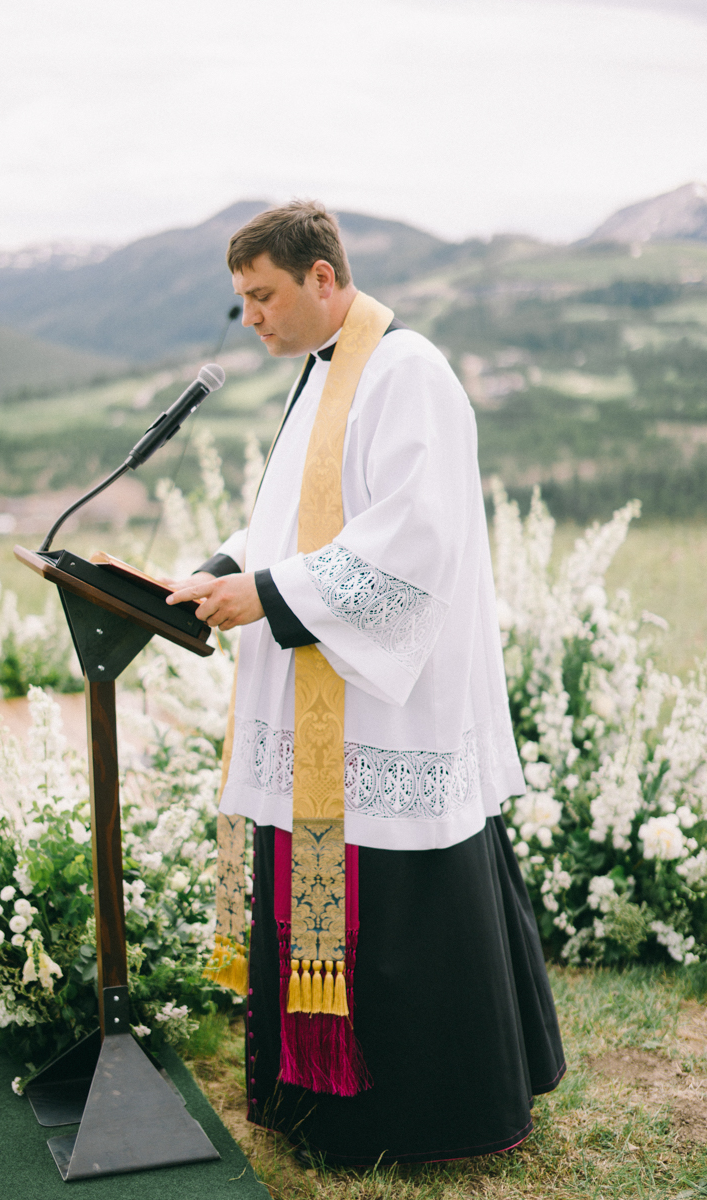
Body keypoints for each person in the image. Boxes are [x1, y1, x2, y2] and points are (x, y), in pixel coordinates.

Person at [166, 200, 565, 1166]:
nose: (251, 316)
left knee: (396, 901)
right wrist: (226, 569)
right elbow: (296, 521)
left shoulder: (405, 371)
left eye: (263, 295)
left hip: (387, 705)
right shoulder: (322, 377)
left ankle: (419, 1117)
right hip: (326, 695)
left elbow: (410, 539)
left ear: (323, 279)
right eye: (243, 300)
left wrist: (265, 595)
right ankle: (320, 1108)